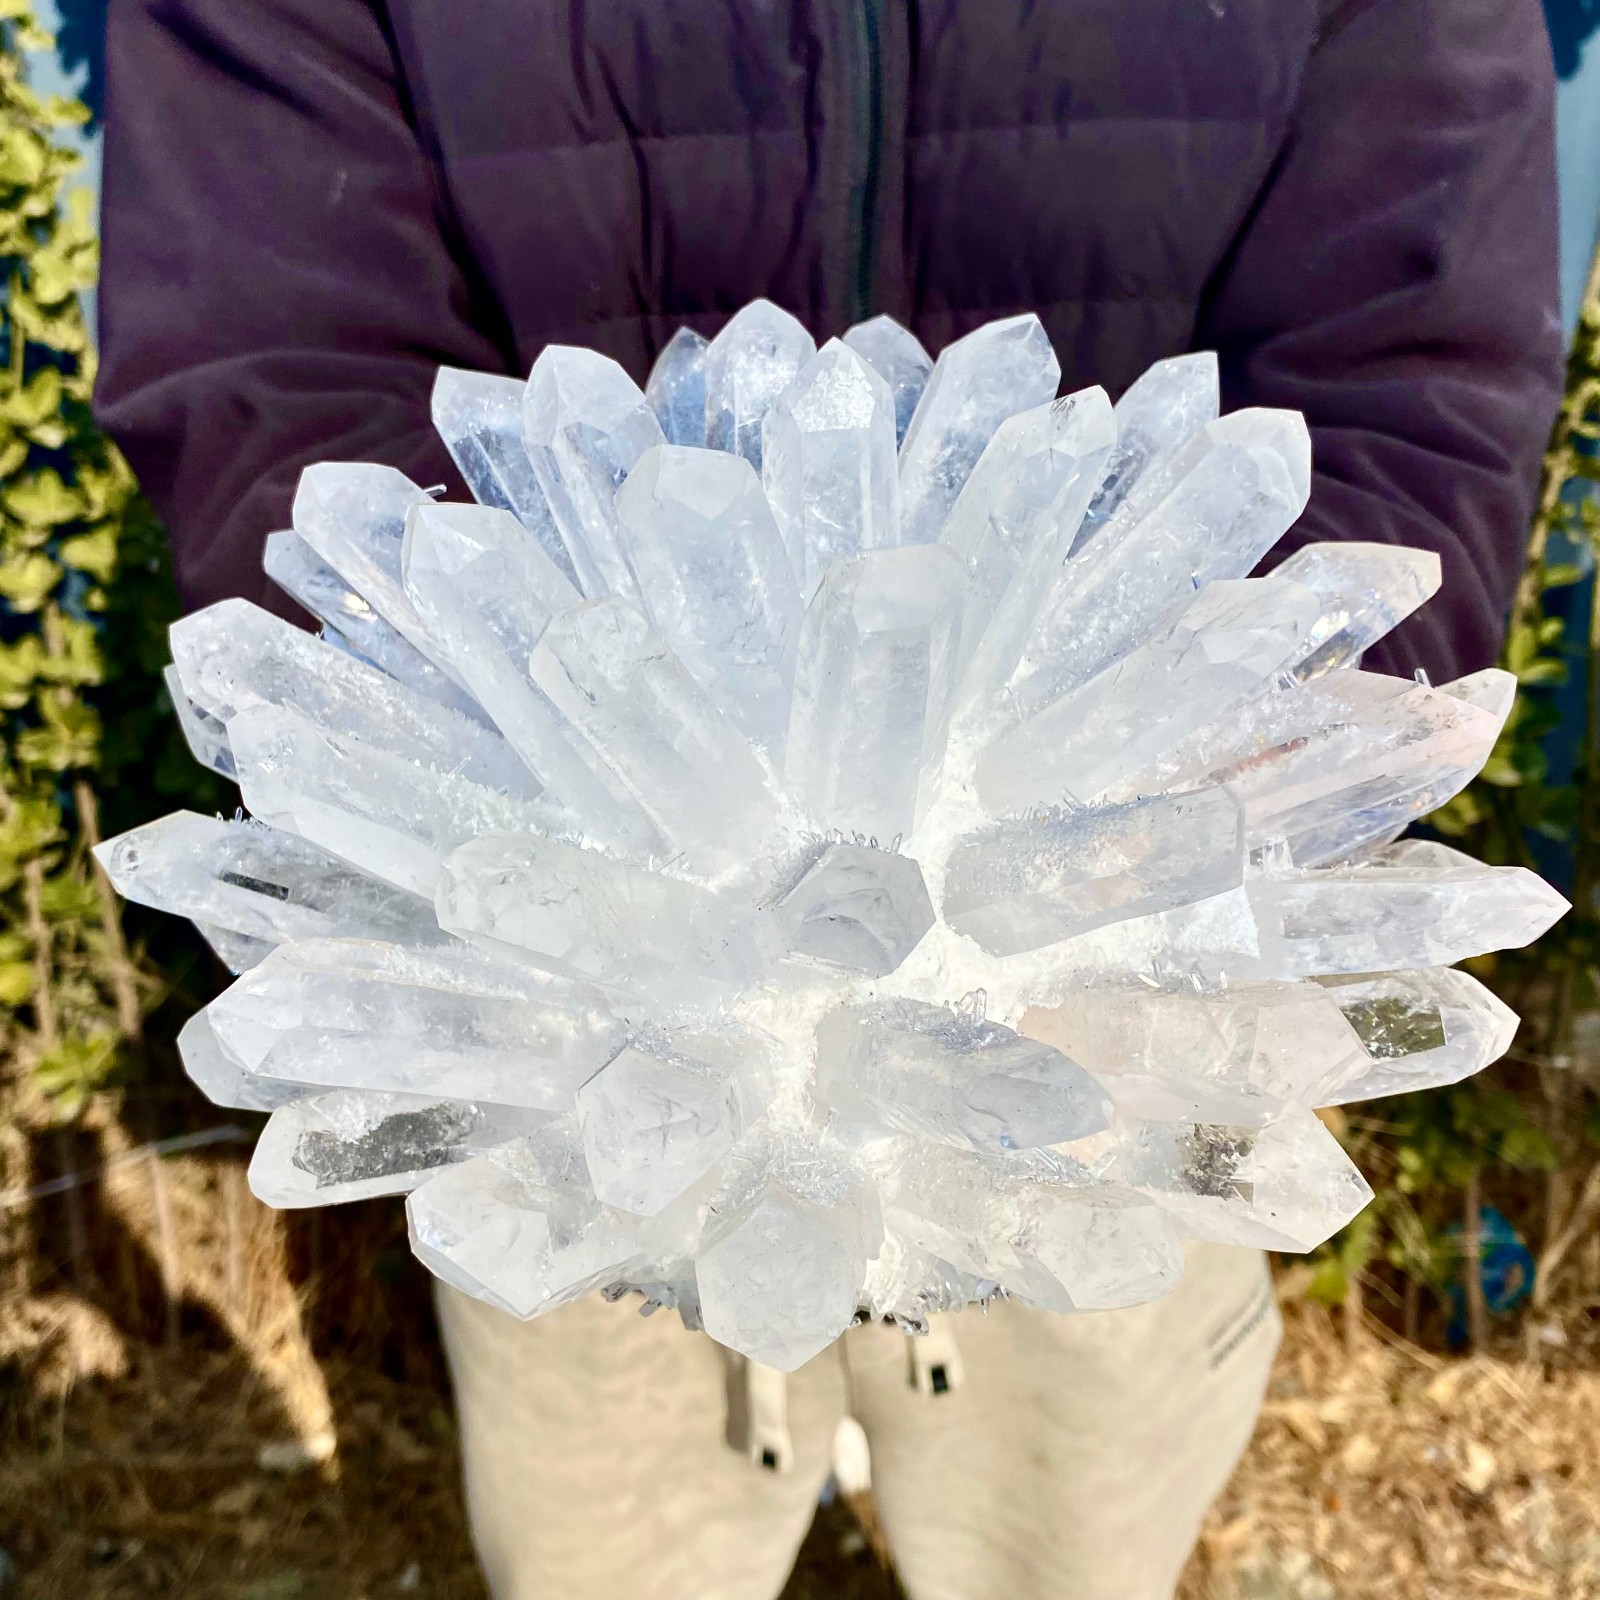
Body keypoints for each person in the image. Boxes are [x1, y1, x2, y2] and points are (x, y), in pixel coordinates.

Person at [93, 3, 1563, 1597]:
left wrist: (1229, 777)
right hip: (573, 1046)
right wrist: (477, 762)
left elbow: (1412, 369)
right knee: (616, 1540)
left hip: (1122, 1010)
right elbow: (279, 364)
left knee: (1064, 1529)